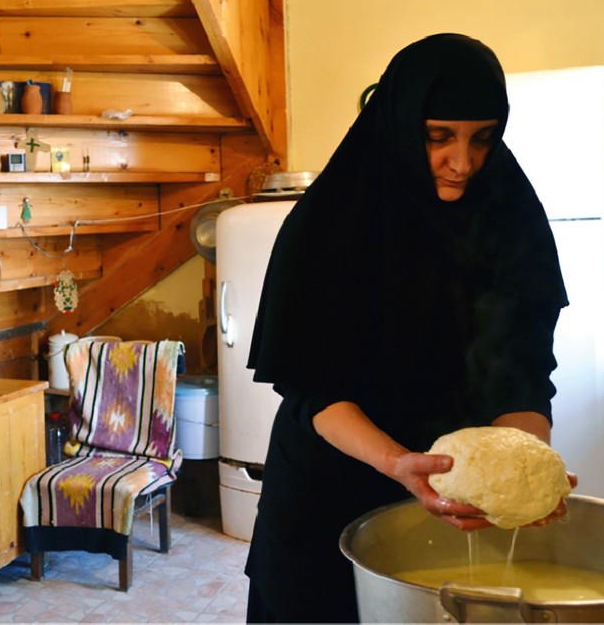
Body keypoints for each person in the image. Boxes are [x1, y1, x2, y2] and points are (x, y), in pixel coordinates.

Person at [243, 33, 573, 623]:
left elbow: (523, 375)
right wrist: (398, 462)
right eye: (439, 136)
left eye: (482, 138)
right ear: (399, 125)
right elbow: (313, 388)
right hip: (330, 490)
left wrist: (524, 464)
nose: (463, 162)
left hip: (455, 498)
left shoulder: (512, 217)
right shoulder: (329, 224)